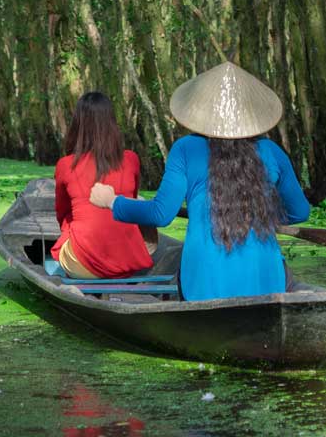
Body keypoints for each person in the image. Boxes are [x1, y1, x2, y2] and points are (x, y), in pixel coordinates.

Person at [90, 62, 309, 300]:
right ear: (248, 114)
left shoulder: (186, 149)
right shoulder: (271, 151)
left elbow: (160, 214)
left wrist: (112, 201)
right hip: (267, 284)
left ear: (202, 111)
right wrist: (255, 211)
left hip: (202, 287)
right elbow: (299, 212)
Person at [53, 91, 155, 279]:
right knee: (137, 203)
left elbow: (62, 214)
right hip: (127, 264)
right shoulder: (131, 159)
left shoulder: (66, 165)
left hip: (83, 265)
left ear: (78, 126)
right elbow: (130, 202)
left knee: (70, 225)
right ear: (112, 125)